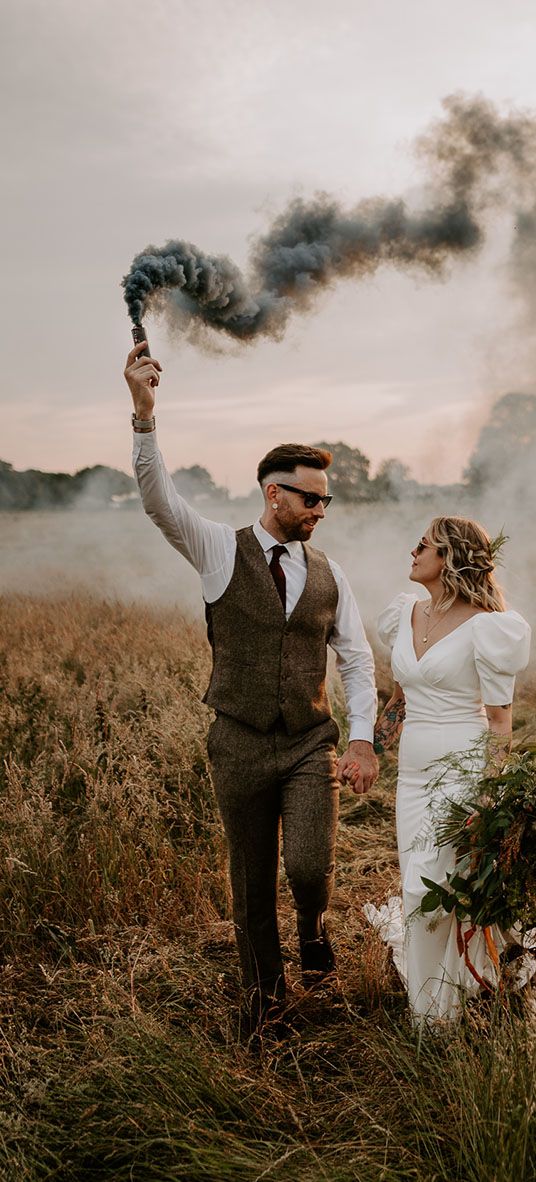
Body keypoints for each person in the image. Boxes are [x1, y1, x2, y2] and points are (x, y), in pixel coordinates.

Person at [124, 340, 378, 1034]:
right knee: (250, 884)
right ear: (274, 493)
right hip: (236, 742)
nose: (321, 510)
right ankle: (267, 1001)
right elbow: (159, 501)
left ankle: (316, 924)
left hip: (306, 742)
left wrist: (360, 739)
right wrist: (145, 415)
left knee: (306, 863)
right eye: (311, 498)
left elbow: (355, 658)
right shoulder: (217, 549)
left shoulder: (329, 574)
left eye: (326, 500)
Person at [363, 515, 531, 1023]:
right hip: (412, 776)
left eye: (423, 546)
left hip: (462, 767)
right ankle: (434, 1001)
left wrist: (488, 793)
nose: (412, 553)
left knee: (431, 886)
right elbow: (400, 698)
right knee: (417, 879)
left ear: (449, 557)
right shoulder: (406, 613)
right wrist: (370, 748)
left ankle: (441, 1013)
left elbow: (500, 722)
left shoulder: (488, 626)